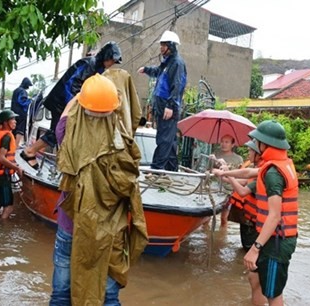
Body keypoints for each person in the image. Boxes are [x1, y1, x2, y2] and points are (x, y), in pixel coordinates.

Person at [50, 74, 148, 305]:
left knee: (62, 294)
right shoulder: (124, 144)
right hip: (110, 231)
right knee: (108, 296)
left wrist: (82, 94)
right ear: (113, 110)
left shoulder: (66, 133)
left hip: (70, 226)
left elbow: (68, 112)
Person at [213, 120, 298, 306]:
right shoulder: (274, 166)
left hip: (277, 241)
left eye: (256, 142)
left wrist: (254, 249)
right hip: (271, 237)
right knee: (254, 277)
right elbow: (249, 172)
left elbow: (275, 216)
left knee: (273, 294)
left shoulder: (274, 174)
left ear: (264, 145)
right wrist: (224, 174)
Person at [20, 41, 123, 169]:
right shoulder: (89, 64)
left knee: (64, 133)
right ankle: (31, 152)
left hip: (64, 102)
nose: (112, 64)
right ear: (107, 56)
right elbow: (72, 85)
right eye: (112, 60)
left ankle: (35, 153)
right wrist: (75, 105)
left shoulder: (96, 67)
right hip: (61, 102)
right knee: (60, 132)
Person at [219, 140, 267, 306]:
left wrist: (227, 175)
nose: (248, 154)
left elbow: (242, 188)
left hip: (254, 223)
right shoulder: (259, 169)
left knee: (255, 275)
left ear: (258, 153)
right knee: (252, 272)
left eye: (250, 151)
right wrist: (225, 174)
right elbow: (241, 181)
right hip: (249, 219)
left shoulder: (261, 172)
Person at [137, 30, 187, 172]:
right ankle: (171, 170)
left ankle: (156, 169)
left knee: (164, 139)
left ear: (170, 46)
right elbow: (158, 72)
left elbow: (177, 85)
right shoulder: (167, 63)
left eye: (163, 45)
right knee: (169, 141)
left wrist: (170, 106)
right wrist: (146, 69)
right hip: (161, 107)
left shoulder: (177, 63)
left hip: (168, 107)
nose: (161, 48)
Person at [0, 109, 23, 220]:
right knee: (8, 207)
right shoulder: (7, 137)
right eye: (12, 119)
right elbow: (1, 158)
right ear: (5, 123)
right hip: (2, 176)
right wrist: (17, 168)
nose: (15, 121)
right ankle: (2, 227)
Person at [209, 134, 244, 226]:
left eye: (227, 142)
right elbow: (208, 171)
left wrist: (224, 167)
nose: (223, 144)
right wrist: (211, 161)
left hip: (228, 191)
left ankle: (222, 237)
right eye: (222, 141)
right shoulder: (215, 154)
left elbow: (240, 175)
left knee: (224, 218)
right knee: (207, 216)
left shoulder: (238, 159)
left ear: (232, 145)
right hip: (214, 188)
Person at [11, 77, 33, 147]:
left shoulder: (15, 90)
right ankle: (16, 146)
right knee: (20, 130)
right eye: (28, 86)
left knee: (14, 129)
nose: (28, 87)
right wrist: (31, 100)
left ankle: (12, 145)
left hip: (14, 113)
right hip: (21, 113)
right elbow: (22, 102)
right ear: (26, 84)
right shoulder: (23, 91)